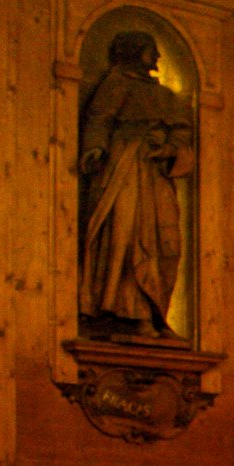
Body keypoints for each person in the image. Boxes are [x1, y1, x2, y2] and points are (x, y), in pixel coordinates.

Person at [78, 30, 194, 339]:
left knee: (164, 243)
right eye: (150, 50)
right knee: (126, 239)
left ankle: (156, 312)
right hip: (125, 167)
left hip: (156, 174)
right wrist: (95, 147)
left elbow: (183, 133)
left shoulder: (167, 97)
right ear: (134, 51)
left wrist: (169, 147)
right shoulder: (115, 85)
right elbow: (99, 119)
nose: (157, 57)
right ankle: (127, 313)